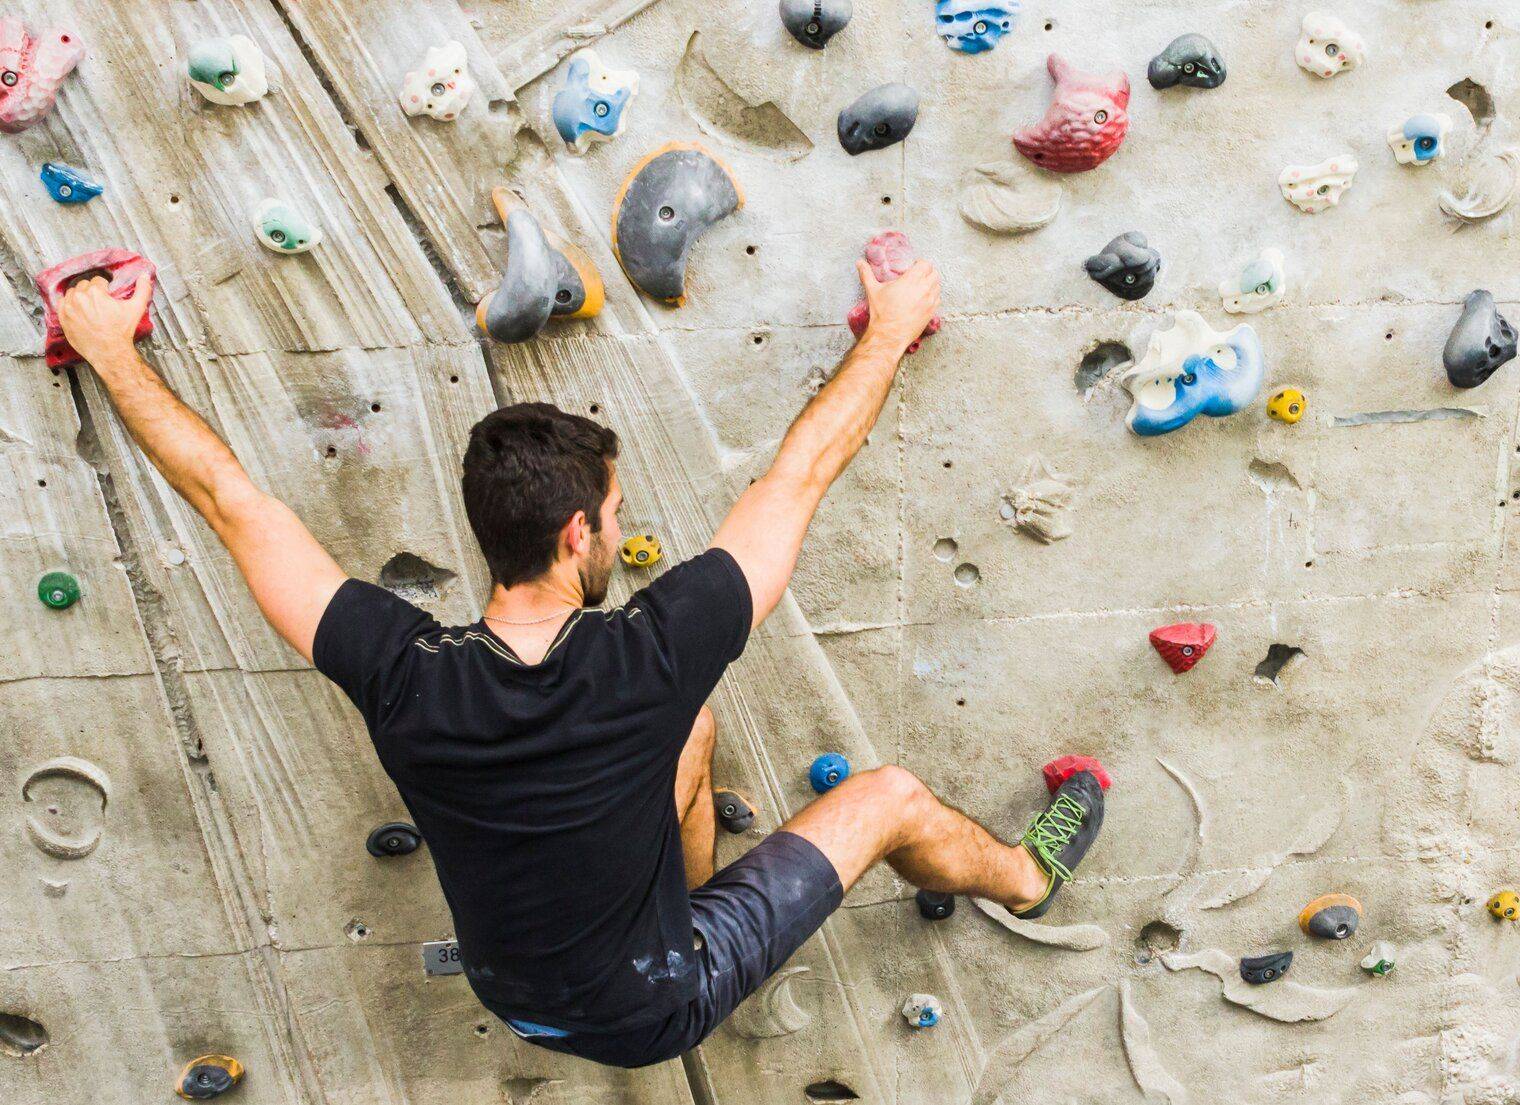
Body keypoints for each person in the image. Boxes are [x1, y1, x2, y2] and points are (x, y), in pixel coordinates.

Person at [55, 257, 1107, 1068]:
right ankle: (1026, 878)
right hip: (656, 1005)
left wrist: (108, 347)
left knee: (691, 729)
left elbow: (229, 499)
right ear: (574, 536)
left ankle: (686, 887)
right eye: (612, 516)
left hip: (513, 995)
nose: (618, 529)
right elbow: (801, 476)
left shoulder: (398, 668)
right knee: (887, 798)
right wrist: (888, 330)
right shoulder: (649, 653)